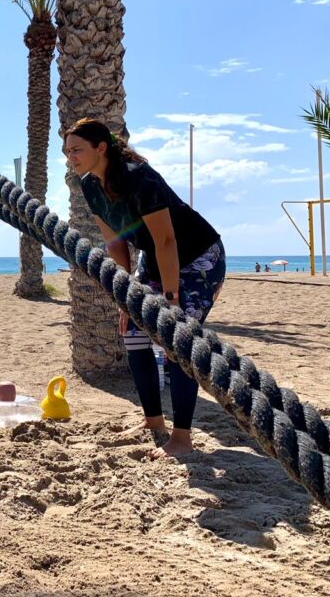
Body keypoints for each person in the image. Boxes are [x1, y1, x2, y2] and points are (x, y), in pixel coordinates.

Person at [63, 119, 226, 458]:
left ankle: (181, 437)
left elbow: (167, 240)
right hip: (155, 258)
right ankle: (153, 420)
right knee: (134, 334)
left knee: (176, 342)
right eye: (67, 151)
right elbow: (117, 245)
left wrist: (171, 299)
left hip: (197, 258)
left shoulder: (139, 177)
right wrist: (124, 299)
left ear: (101, 148)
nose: (71, 157)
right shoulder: (90, 186)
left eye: (76, 149)